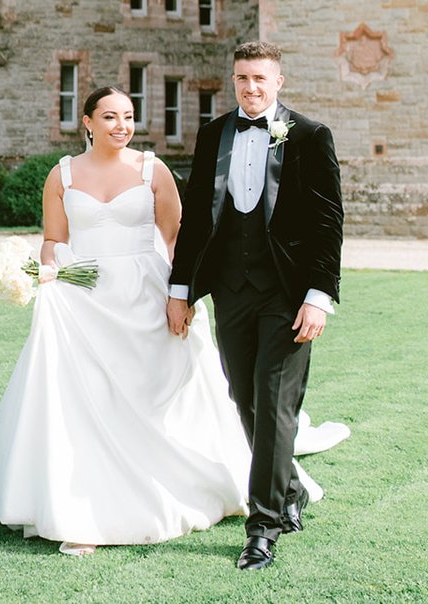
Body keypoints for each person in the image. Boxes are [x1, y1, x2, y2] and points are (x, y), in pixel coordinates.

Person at [0, 85, 252, 552]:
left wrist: (183, 294)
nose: (122, 125)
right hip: (83, 297)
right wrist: (48, 274)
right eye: (111, 117)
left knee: (153, 391)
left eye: (129, 116)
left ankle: (174, 481)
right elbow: (54, 240)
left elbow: (176, 237)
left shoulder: (152, 170)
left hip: (145, 291)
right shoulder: (61, 176)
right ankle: (81, 506)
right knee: (83, 399)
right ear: (88, 123)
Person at [167, 40, 344, 572]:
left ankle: (263, 527)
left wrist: (319, 297)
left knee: (273, 406)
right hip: (232, 293)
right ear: (234, 79)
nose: (251, 88)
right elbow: (196, 218)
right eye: (243, 78)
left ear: (278, 81)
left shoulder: (310, 137)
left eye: (260, 79)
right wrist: (181, 291)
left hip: (288, 297)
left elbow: (327, 223)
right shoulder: (213, 134)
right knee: (244, 399)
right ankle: (288, 489)